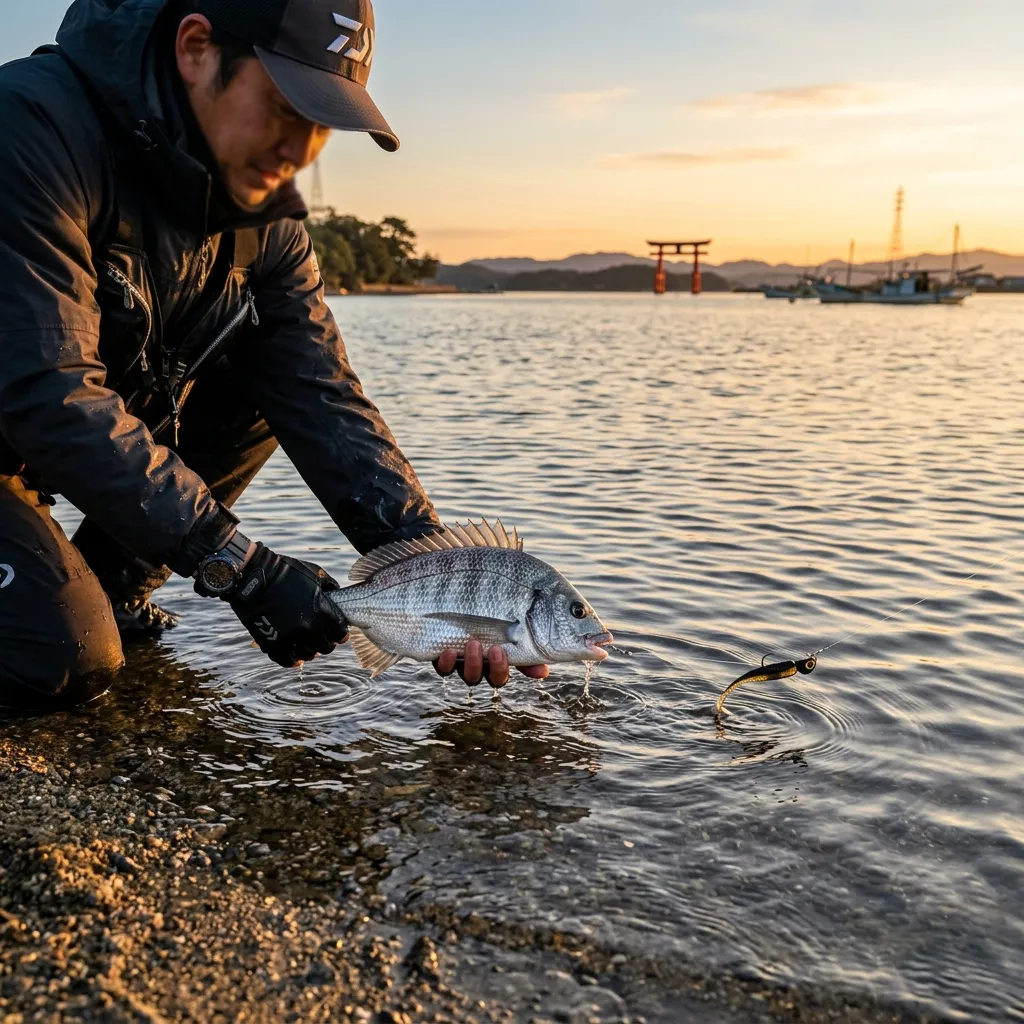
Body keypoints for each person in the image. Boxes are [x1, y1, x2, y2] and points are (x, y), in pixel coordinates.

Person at [0, 0, 548, 708]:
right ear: (196, 49)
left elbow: (324, 396)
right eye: (288, 107)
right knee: (63, 659)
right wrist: (238, 563)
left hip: (44, 442)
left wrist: (433, 568)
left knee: (266, 384)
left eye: (322, 123)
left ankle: (108, 591)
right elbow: (49, 391)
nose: (302, 150)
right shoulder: (29, 130)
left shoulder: (265, 216)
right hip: (22, 419)